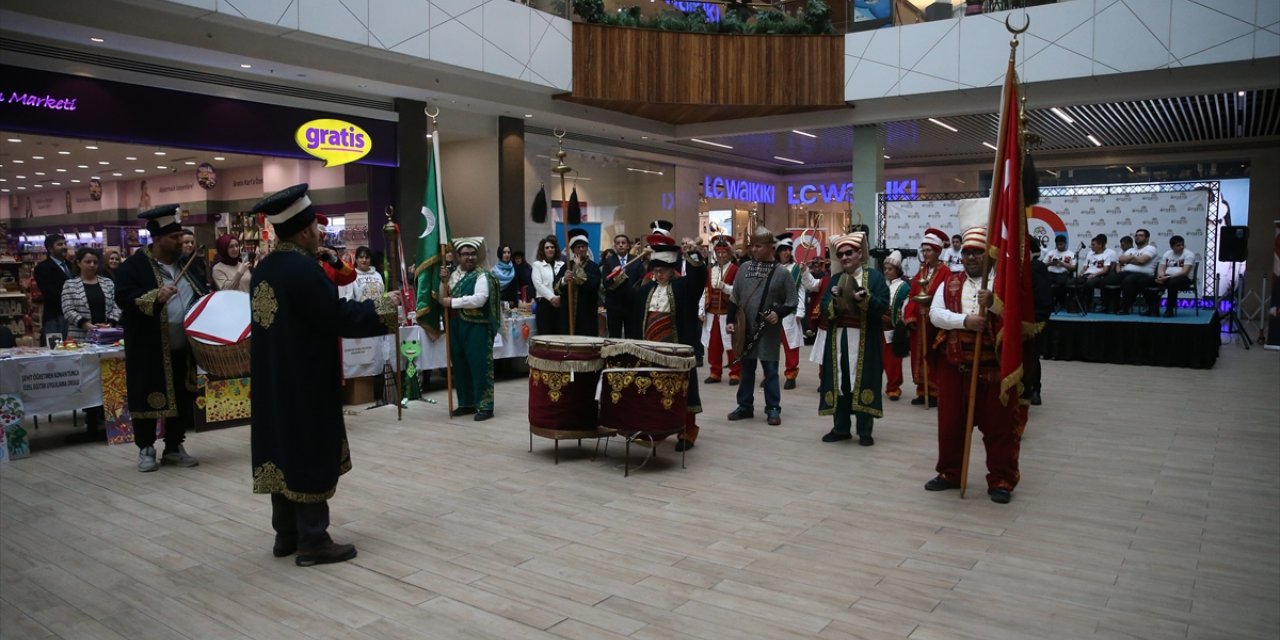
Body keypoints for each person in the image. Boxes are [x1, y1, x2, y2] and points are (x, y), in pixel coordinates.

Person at [248, 184, 399, 567]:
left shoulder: (264, 269)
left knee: (281, 447)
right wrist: (383, 306)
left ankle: (286, 534)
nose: (320, 234)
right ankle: (314, 539)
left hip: (272, 380)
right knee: (308, 449)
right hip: (306, 379)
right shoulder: (304, 270)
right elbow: (336, 317)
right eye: (315, 229)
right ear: (302, 232)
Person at [925, 205, 1027, 504]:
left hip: (994, 369)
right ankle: (949, 473)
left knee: (998, 429)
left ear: (989, 254)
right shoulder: (950, 281)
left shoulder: (1003, 283)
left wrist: (994, 304)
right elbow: (936, 314)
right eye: (967, 252)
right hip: (957, 367)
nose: (971, 257)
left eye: (977, 252)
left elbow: (1018, 319)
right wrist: (966, 321)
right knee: (951, 425)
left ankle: (1001, 479)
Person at [114, 205, 208, 472]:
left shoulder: (189, 265)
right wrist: (154, 297)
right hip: (150, 349)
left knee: (181, 397)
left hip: (183, 347)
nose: (181, 242)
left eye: (181, 236)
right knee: (148, 395)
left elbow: (202, 293)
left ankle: (174, 446)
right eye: (175, 238)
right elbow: (124, 298)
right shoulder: (133, 267)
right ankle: (145, 447)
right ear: (156, 240)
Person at [617, 233, 706, 451]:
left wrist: (693, 253)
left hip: (676, 348)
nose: (658, 275)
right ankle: (656, 428)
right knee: (655, 390)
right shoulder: (648, 289)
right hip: (652, 348)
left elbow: (698, 277)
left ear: (672, 269)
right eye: (655, 271)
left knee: (681, 389)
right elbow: (630, 300)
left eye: (662, 271)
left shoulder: (684, 287)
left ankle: (688, 430)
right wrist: (617, 279)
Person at [818, 232, 889, 446]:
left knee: (863, 379)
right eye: (841, 254)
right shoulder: (836, 279)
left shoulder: (875, 278)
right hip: (839, 339)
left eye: (849, 253)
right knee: (841, 381)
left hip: (864, 340)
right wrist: (835, 299)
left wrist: (865, 299)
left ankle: (865, 431)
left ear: (860, 253)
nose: (845, 257)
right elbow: (823, 308)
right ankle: (840, 428)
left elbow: (883, 305)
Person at [726, 226, 798, 426]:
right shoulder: (744, 268)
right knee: (746, 370)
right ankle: (745, 405)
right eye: (752, 246)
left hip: (767, 331)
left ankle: (773, 408)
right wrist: (731, 321)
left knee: (771, 370)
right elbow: (734, 297)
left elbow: (792, 302)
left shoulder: (782, 273)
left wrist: (778, 313)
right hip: (746, 328)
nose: (754, 250)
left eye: (758, 246)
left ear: (770, 247)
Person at [61, 247, 122, 443]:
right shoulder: (70, 285)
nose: (92, 266)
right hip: (80, 338)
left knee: (106, 378)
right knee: (86, 380)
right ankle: (90, 421)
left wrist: (110, 323)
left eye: (95, 262)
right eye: (88, 262)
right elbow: (68, 309)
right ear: (78, 263)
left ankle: (108, 420)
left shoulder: (107, 283)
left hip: (107, 338)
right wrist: (86, 324)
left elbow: (117, 305)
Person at [442, 237, 501, 421]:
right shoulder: (451, 276)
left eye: (473, 254)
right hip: (456, 325)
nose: (470, 258)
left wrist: (453, 302)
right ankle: (466, 403)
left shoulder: (483, 275)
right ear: (458, 257)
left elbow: (480, 298)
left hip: (477, 326)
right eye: (466, 254)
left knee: (479, 365)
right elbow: (440, 297)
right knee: (459, 365)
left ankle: (485, 405)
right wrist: (441, 280)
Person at [902, 228, 949, 407]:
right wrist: (912, 314)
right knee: (918, 355)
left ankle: (935, 391)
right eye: (924, 250)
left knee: (933, 356)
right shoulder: (921, 271)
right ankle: (922, 390)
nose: (926, 254)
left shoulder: (946, 272)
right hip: (920, 321)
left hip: (934, 323)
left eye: (929, 250)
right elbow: (913, 292)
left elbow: (946, 295)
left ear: (937, 251)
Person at [698, 234, 739, 384]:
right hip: (712, 313)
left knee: (731, 345)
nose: (721, 255)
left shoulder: (735, 270)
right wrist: (701, 310)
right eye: (718, 253)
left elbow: (738, 291)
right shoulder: (711, 270)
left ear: (729, 253)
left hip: (727, 313)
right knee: (713, 345)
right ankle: (715, 372)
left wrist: (726, 288)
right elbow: (706, 290)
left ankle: (735, 372)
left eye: (724, 252)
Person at [1023, 236, 1054, 406]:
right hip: (1016, 320)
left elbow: (1043, 299)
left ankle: (1035, 389)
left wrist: (1036, 322)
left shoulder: (1037, 267)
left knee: (1032, 356)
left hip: (1034, 321)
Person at [773, 233, 805, 390]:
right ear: (778, 251)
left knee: (791, 346)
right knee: (770, 346)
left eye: (789, 250)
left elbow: (801, 290)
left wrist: (799, 310)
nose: (786, 252)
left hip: (789, 313)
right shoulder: (772, 268)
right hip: (772, 313)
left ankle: (791, 374)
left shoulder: (796, 269)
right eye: (783, 249)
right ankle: (770, 375)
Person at [555, 229, 601, 336]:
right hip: (568, 312)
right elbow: (556, 287)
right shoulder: (566, 266)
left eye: (583, 246)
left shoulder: (593, 267)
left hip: (586, 311)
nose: (581, 249)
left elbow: (593, 285)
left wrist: (578, 267)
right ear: (572, 250)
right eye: (578, 247)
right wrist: (564, 280)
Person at [1107, 228, 1159, 314]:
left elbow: (1142, 261)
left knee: (1128, 281)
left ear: (1147, 238)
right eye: (1136, 235)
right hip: (1127, 272)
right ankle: (1110, 306)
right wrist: (1134, 258)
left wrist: (1129, 259)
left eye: (1141, 236)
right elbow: (1121, 259)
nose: (1137, 237)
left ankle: (1124, 308)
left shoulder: (1151, 248)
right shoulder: (1131, 250)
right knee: (1108, 280)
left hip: (1144, 274)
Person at [881, 250, 910, 401]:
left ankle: (893, 387)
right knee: (875, 360)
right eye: (885, 268)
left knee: (893, 361)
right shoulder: (880, 283)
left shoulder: (904, 287)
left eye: (890, 269)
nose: (886, 271)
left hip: (892, 328)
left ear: (897, 270)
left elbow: (905, 307)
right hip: (878, 327)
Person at [34, 234, 72, 343]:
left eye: (65, 243)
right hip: (55, 316)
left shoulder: (71, 265)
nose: (64, 247)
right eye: (60, 244)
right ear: (50, 249)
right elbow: (50, 293)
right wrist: (70, 302)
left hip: (73, 316)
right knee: (55, 348)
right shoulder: (42, 268)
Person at [1153, 235, 1196, 317]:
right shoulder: (1167, 253)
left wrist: (1168, 277)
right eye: (1178, 245)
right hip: (1167, 277)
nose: (1181, 247)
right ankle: (1153, 309)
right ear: (1172, 247)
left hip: (1184, 278)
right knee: (1153, 281)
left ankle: (1169, 310)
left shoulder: (1189, 254)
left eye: (1182, 244)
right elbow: (1162, 268)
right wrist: (1161, 276)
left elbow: (1185, 272)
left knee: (1172, 283)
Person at [601, 233, 634, 338]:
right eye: (618, 243)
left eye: (623, 243)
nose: (621, 245)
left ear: (628, 245)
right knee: (614, 335)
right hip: (614, 305)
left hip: (631, 304)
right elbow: (606, 283)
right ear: (614, 246)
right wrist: (615, 276)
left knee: (632, 334)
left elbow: (640, 282)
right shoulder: (608, 261)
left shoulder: (636, 260)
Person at [531, 236, 563, 336]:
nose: (550, 249)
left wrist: (559, 298)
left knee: (559, 334)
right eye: (547, 247)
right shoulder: (537, 265)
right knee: (545, 335)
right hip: (544, 303)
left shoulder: (562, 264)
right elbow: (538, 284)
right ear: (542, 250)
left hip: (560, 303)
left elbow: (564, 282)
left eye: (552, 247)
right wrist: (552, 298)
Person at [1076, 234, 1117, 312]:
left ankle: (1089, 304)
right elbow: (1085, 267)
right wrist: (1081, 273)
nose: (1091, 246)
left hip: (1099, 275)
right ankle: (1078, 304)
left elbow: (1105, 269)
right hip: (1087, 274)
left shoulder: (1106, 255)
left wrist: (1094, 275)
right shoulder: (1089, 254)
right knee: (1074, 281)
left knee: (1089, 283)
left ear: (1100, 245)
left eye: (1093, 245)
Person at [1042, 235, 1076, 309]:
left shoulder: (1071, 254)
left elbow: (1074, 267)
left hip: (1062, 273)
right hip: (1051, 272)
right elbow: (1043, 264)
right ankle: (1049, 303)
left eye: (1061, 244)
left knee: (1061, 282)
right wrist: (1050, 263)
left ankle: (1060, 301)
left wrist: (1063, 264)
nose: (1059, 246)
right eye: (1058, 244)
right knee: (1044, 282)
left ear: (1065, 243)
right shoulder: (1051, 253)